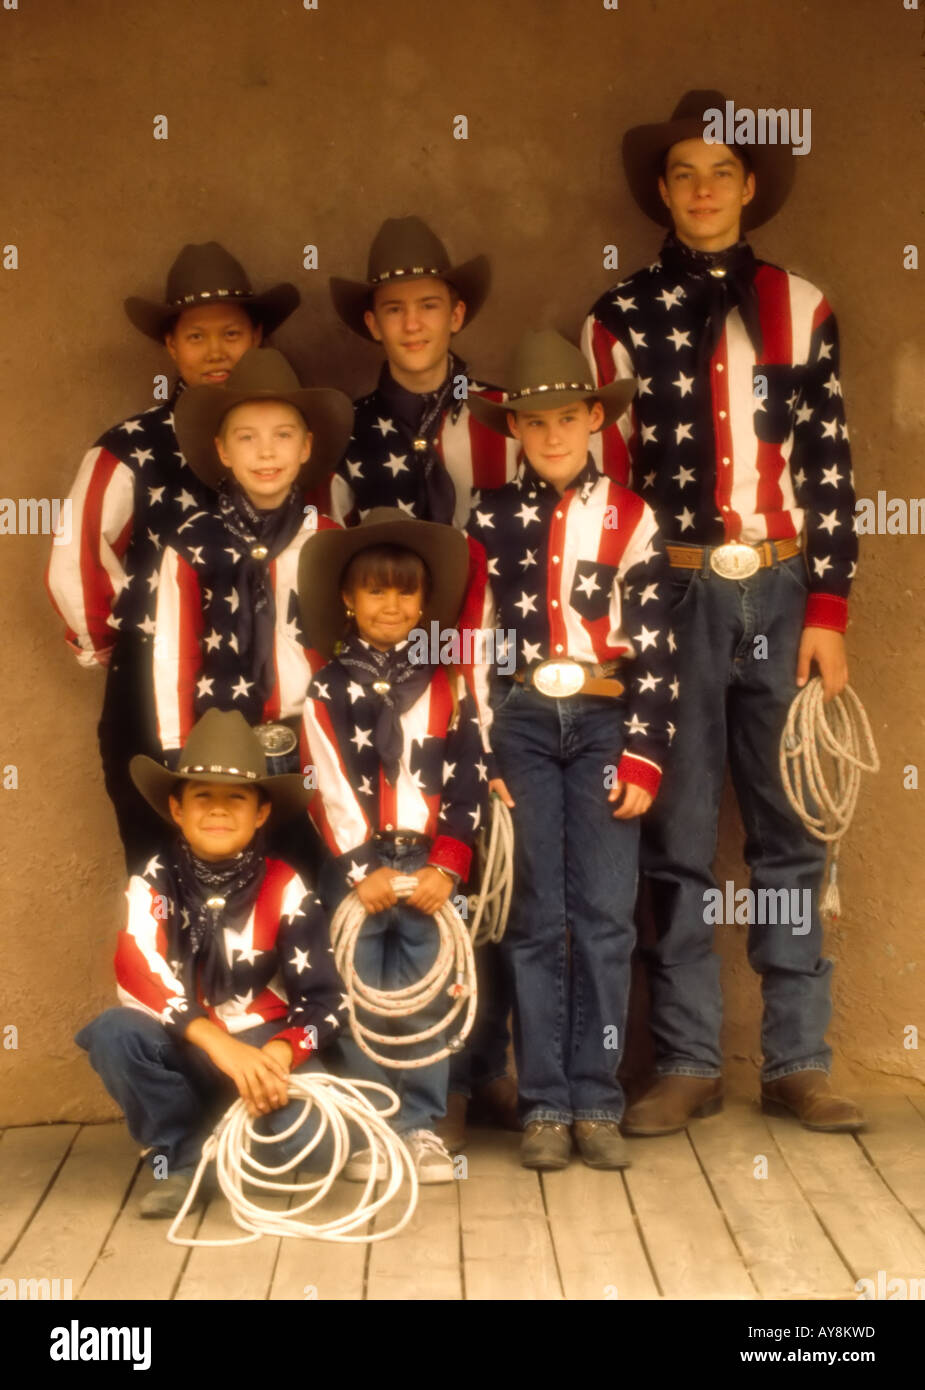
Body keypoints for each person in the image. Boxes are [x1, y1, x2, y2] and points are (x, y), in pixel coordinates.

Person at [581, 89, 863, 1134]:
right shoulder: (614, 320)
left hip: (784, 585)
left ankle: (798, 1057)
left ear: (750, 187)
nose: (703, 192)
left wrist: (827, 606)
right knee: (679, 825)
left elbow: (830, 466)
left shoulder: (802, 304)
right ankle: (690, 1058)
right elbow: (608, 489)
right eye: (683, 175)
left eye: (722, 174)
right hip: (677, 590)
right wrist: (618, 621)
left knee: (790, 825)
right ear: (662, 192)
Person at [466, 329, 676, 1171]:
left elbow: (656, 645)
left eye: (566, 417)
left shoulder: (631, 515)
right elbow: (468, 641)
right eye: (532, 421)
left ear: (594, 417)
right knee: (533, 919)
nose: (551, 435)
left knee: (602, 919)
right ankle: (544, 1102)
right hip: (517, 718)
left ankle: (598, 1100)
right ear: (512, 429)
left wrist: (644, 751)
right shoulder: (484, 517)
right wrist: (479, 753)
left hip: (600, 719)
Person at [331, 215, 520, 1146]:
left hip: (500, 671)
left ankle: (487, 1071)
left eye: (428, 307)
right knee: (395, 900)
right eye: (392, 310)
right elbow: (326, 570)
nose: (411, 324)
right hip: (389, 691)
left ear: (457, 312)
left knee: (483, 885)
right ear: (372, 323)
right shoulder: (349, 435)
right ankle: (402, 1097)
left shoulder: (503, 416)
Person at [47, 242, 300, 873]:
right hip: (156, 667)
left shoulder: (287, 440)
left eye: (232, 333)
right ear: (171, 348)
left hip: (270, 666)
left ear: (259, 336)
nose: (215, 351)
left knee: (279, 848)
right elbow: (78, 553)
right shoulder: (131, 446)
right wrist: (117, 646)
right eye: (196, 336)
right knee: (163, 846)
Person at [75, 709, 347, 1219]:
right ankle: (179, 1157)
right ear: (176, 808)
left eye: (235, 799)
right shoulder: (154, 881)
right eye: (203, 797)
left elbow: (327, 1001)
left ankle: (223, 1137)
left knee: (315, 1147)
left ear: (261, 812)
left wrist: (281, 1055)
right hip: (185, 1043)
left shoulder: (285, 885)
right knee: (116, 1033)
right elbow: (137, 968)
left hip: (260, 1044)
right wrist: (218, 1045)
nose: (218, 811)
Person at [298, 510, 486, 1182]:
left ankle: (421, 1126)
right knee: (358, 996)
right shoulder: (329, 687)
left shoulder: (449, 685)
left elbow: (468, 778)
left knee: (429, 998)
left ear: (425, 604)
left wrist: (450, 862)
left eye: (405, 593)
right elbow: (325, 781)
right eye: (375, 591)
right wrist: (359, 869)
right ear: (347, 599)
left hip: (428, 866)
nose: (391, 605)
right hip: (360, 870)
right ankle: (371, 1127)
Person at [151, 347, 353, 882]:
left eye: (283, 435)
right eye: (247, 437)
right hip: (228, 751)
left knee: (328, 879)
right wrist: (178, 750)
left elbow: (353, 648)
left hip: (318, 741)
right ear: (221, 449)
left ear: (307, 446)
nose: (266, 452)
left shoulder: (330, 541)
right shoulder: (194, 542)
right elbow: (175, 650)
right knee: (242, 890)